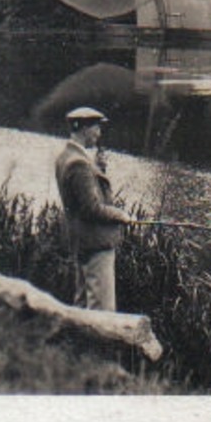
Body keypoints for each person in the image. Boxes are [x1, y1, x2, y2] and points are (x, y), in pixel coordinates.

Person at [54, 106, 132, 312]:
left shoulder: (67, 157)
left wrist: (99, 169)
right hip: (95, 243)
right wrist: (121, 215)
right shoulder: (79, 163)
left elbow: (86, 197)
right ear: (84, 129)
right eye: (96, 128)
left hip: (82, 242)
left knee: (81, 305)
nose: (99, 134)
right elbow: (92, 208)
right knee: (102, 311)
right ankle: (97, 346)